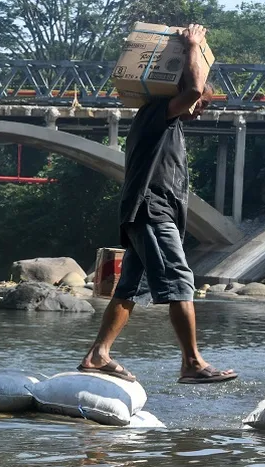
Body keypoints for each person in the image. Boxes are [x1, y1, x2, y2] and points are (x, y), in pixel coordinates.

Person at [78, 24, 237, 385]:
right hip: (151, 212)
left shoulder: (169, 126)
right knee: (181, 281)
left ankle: (97, 354)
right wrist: (193, 46)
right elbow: (194, 86)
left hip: (147, 213)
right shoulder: (156, 115)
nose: (200, 109)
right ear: (179, 94)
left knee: (129, 288)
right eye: (200, 103)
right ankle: (192, 363)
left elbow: (194, 92)